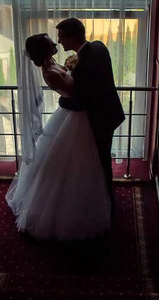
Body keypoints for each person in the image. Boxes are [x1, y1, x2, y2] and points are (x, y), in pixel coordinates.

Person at [6, 33, 111, 241]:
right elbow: (76, 91)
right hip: (74, 116)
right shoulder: (50, 72)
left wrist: (74, 68)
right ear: (44, 50)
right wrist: (81, 72)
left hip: (72, 114)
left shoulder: (51, 63)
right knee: (74, 162)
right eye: (50, 42)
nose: (55, 43)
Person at [56, 18, 125, 205]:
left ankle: (106, 201)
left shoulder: (83, 67)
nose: (59, 41)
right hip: (111, 112)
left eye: (61, 37)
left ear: (71, 38)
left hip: (100, 119)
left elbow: (80, 103)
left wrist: (61, 100)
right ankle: (105, 195)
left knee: (101, 160)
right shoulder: (99, 47)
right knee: (102, 159)